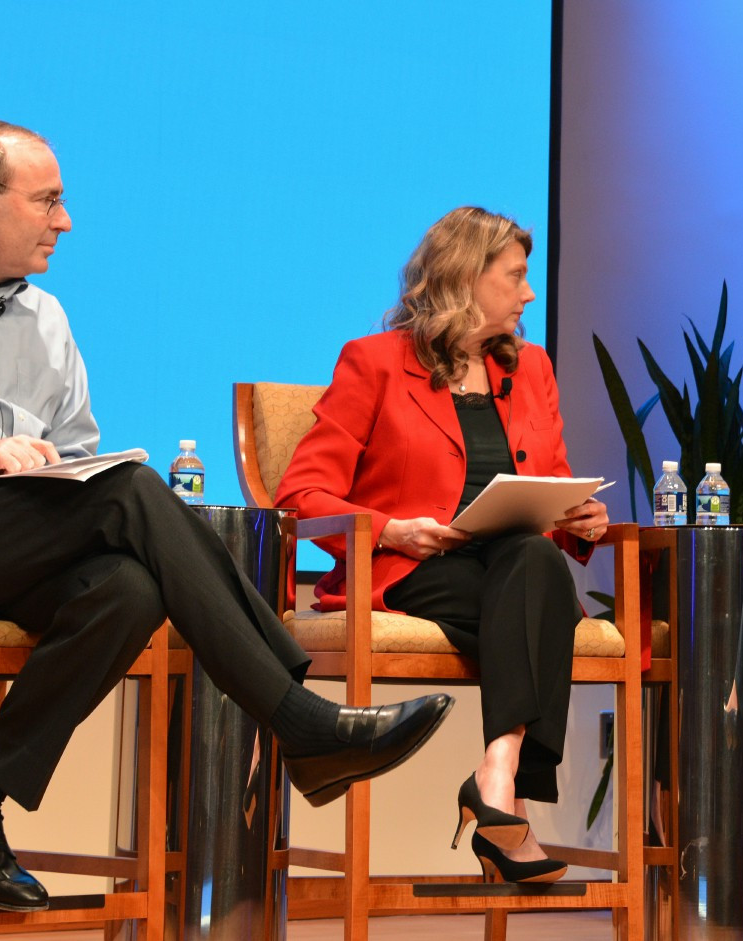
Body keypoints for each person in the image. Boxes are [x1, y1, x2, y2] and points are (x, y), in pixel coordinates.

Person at [0, 119, 453, 913]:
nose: (64, 222)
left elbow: (76, 457)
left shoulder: (48, 319)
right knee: (130, 490)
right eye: (49, 201)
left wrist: (55, 470)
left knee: (127, 587)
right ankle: (300, 719)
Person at [275, 206, 609, 883]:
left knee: (535, 555)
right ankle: (505, 800)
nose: (528, 293)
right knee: (531, 579)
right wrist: (395, 529)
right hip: (414, 568)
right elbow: (299, 495)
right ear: (465, 277)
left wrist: (579, 518)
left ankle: (497, 773)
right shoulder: (373, 363)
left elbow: (548, 483)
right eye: (515, 277)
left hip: (517, 566)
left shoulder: (533, 369)